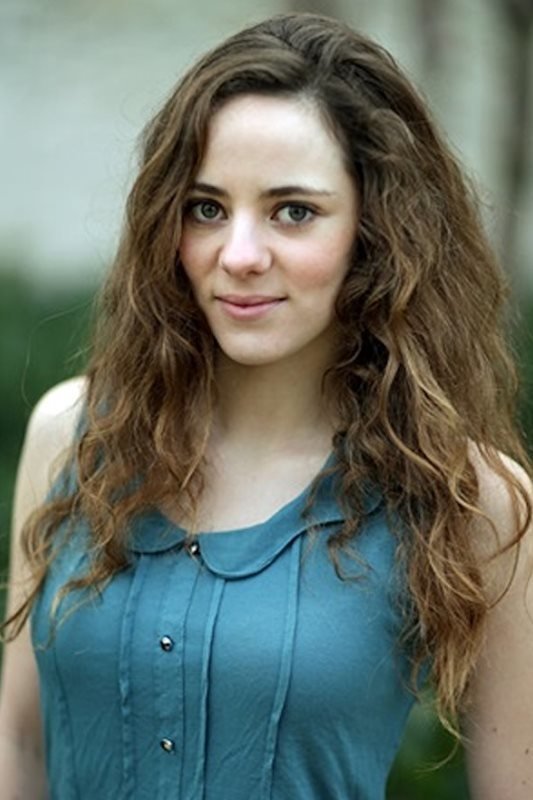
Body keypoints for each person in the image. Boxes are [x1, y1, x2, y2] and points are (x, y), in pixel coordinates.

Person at [1, 11, 532, 799]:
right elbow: (17, 744)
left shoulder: (471, 500)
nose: (239, 255)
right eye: (206, 207)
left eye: (293, 211)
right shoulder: (71, 437)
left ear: (376, 232)